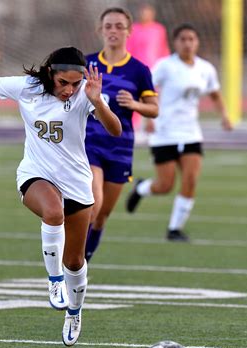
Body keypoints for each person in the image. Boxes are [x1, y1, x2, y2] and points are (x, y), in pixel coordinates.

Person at [0, 46, 122, 346]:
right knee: (52, 211)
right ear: (49, 75)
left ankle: (75, 311)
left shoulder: (87, 94)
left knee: (75, 260)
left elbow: (115, 130)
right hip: (35, 174)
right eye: (63, 83)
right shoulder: (27, 87)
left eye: (75, 83)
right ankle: (54, 281)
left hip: (77, 183)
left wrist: (97, 101)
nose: (70, 89)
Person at [126, 23, 233, 241]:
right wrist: (148, 117)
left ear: (197, 42)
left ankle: (174, 229)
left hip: (191, 133)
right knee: (165, 185)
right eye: (183, 39)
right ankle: (142, 188)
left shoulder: (205, 68)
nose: (187, 43)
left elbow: (214, 93)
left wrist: (224, 115)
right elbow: (146, 90)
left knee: (191, 180)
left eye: (191, 39)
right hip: (164, 132)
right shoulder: (165, 66)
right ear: (175, 43)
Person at [84, 7, 158, 262]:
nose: (113, 31)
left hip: (120, 148)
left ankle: (82, 264)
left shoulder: (139, 70)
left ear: (129, 31)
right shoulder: (87, 64)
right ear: (100, 30)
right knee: (93, 205)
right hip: (89, 143)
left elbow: (154, 109)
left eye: (118, 26)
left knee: (102, 215)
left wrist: (136, 104)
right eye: (108, 26)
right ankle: (72, 265)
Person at [126, 2, 169, 132]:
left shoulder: (159, 29)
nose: (145, 14)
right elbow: (128, 49)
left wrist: (166, 65)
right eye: (142, 11)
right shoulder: (133, 29)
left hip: (154, 70)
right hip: (138, 69)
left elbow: (163, 49)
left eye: (147, 11)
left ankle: (154, 125)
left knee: (153, 98)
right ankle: (134, 126)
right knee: (136, 97)